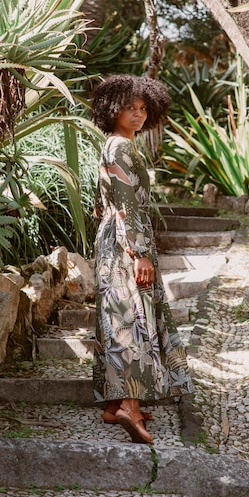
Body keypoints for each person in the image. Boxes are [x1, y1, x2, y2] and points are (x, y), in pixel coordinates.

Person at [91, 74, 194, 445]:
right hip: (123, 243)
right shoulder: (119, 147)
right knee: (131, 319)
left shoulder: (120, 145)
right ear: (111, 109)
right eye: (129, 107)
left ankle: (113, 402)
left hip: (115, 240)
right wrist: (139, 253)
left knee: (119, 316)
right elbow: (125, 204)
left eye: (142, 108)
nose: (137, 114)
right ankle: (129, 410)